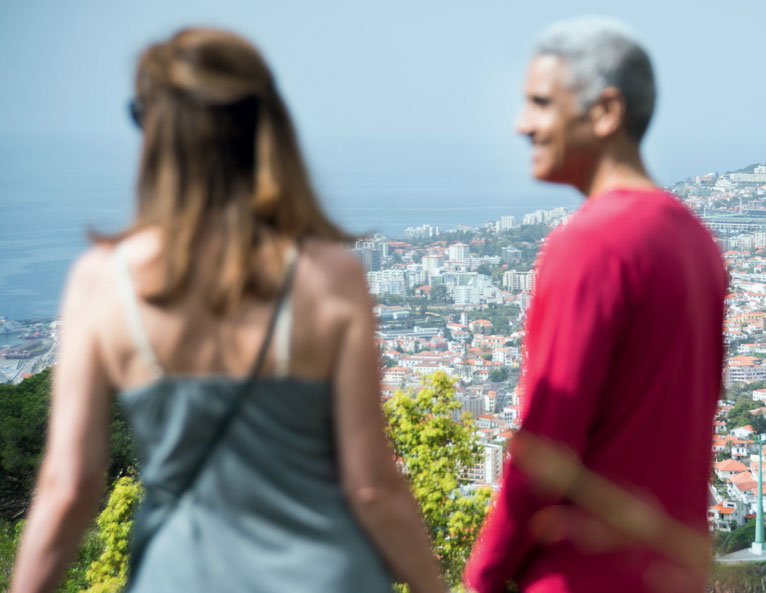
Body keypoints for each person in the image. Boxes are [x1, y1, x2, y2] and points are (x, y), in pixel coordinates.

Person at [11, 28, 444, 593]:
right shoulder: (330, 277)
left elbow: (69, 488)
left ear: (156, 133)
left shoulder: (102, 283)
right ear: (268, 129)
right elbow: (373, 487)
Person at [463, 18, 728, 593]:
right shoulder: (695, 241)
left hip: (581, 578)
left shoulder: (593, 243)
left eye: (539, 103)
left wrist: (481, 577)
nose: (521, 124)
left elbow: (545, 444)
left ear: (605, 111)